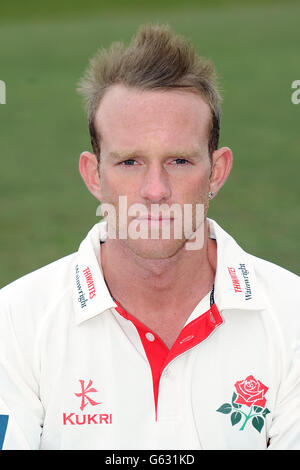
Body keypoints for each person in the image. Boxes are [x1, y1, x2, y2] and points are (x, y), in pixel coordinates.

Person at [0, 24, 299, 451]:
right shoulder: (13, 322)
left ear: (216, 171)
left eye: (179, 160)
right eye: (130, 162)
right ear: (93, 174)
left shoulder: (292, 318)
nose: (155, 191)